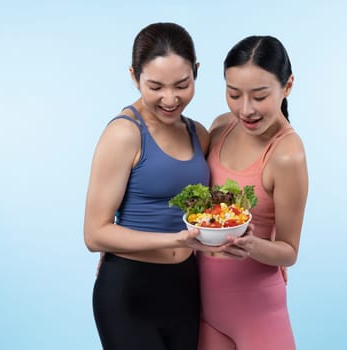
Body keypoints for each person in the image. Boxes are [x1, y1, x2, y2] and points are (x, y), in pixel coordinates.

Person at [83, 22, 211, 350]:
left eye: (182, 84)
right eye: (155, 86)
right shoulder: (125, 134)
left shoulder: (199, 134)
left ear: (196, 72)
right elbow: (94, 234)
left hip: (186, 288)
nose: (170, 98)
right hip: (129, 290)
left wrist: (268, 250)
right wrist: (174, 239)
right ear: (133, 76)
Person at [196, 35, 309, 350]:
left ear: (287, 86)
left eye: (259, 96)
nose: (245, 110)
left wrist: (252, 246)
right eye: (234, 94)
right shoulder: (221, 127)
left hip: (257, 313)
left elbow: (289, 251)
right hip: (204, 310)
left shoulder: (287, 154)